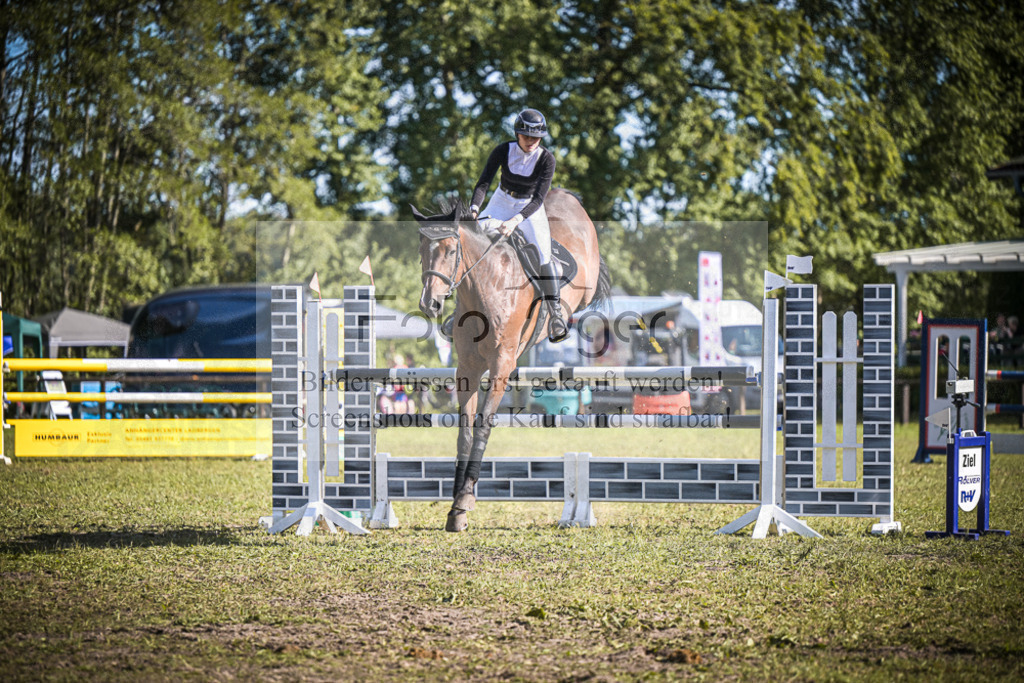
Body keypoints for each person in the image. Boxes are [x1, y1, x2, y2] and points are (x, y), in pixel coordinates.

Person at [468, 108, 568, 343]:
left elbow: (538, 199)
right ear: (517, 134)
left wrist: (515, 221)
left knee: (543, 253)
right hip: (501, 200)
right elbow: (483, 183)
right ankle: (459, 309)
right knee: (472, 242)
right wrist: (474, 210)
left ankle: (556, 315)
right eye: (527, 137)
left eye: (536, 137)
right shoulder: (503, 150)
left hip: (529, 208)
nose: (532, 141)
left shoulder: (547, 159)